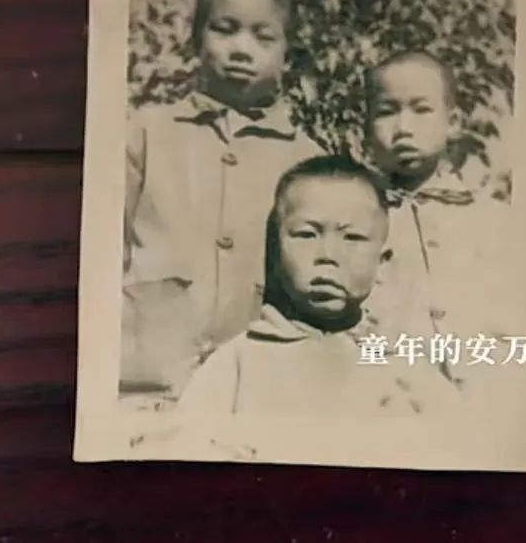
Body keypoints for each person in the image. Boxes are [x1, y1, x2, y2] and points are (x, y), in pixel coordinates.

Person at [122, 0, 322, 398]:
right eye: (225, 29)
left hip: (257, 392)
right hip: (146, 385)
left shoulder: (309, 162)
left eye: (263, 36)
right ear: (196, 39)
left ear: (287, 55)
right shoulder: (145, 134)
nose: (241, 49)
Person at [177, 155, 458, 416]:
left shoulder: (406, 369)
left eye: (353, 238)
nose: (328, 255)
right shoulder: (237, 365)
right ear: (275, 252)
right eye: (307, 235)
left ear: (382, 262)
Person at [362, 50, 526, 401]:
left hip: (486, 399)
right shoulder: (356, 220)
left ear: (453, 123)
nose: (403, 128)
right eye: (387, 111)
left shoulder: (497, 220)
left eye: (421, 109)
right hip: (391, 402)